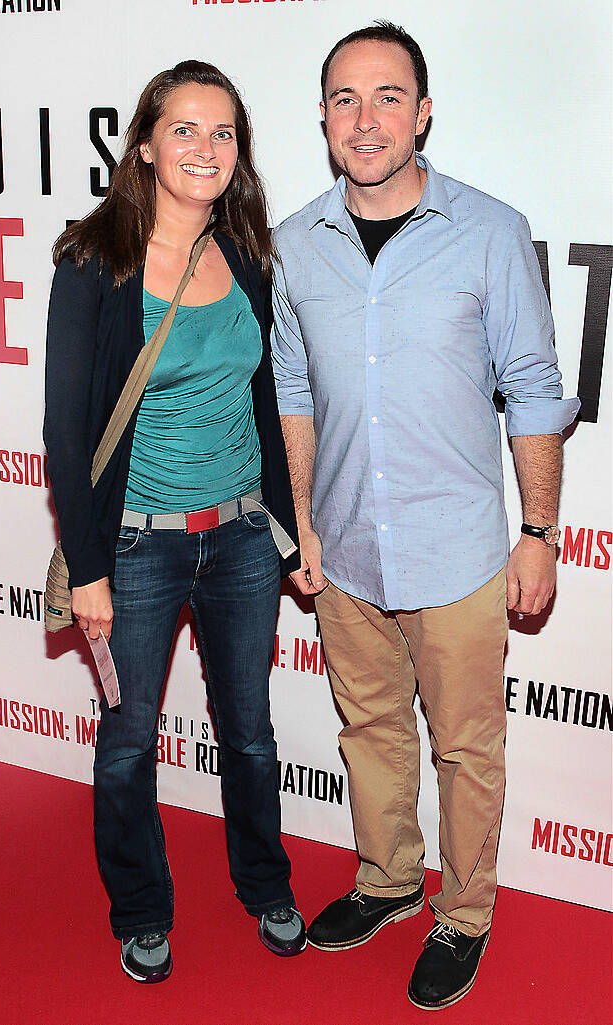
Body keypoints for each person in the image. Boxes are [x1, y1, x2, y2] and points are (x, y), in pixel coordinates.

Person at [271, 21, 579, 1012]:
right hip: (347, 542)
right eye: (346, 100)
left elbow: (533, 386)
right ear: (321, 118)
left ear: (424, 111)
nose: (366, 120)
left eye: (388, 96)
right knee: (369, 730)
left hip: (457, 549)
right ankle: (387, 879)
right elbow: (292, 391)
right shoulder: (290, 247)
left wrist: (538, 531)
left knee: (465, 745)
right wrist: (305, 523)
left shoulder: (489, 230)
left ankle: (465, 913)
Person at [44, 59, 307, 984]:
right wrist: (88, 568)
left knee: (250, 730)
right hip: (136, 546)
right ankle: (142, 907)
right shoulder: (94, 260)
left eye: (224, 132)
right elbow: (65, 428)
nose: (205, 148)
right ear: (147, 145)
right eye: (186, 129)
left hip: (240, 537)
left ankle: (264, 881)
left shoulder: (247, 254)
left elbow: (269, 399)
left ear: (239, 153)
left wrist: (291, 524)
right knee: (126, 744)